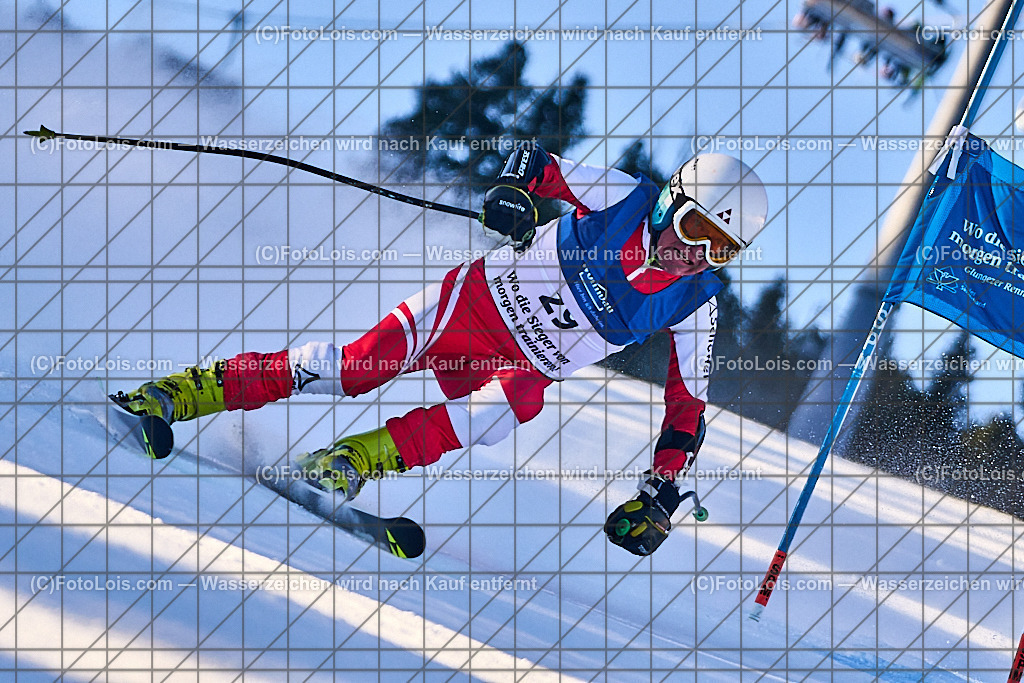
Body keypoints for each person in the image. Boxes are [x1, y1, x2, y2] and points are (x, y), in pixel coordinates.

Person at [111, 143, 768, 556]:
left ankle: (343, 463)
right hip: (472, 306)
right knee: (355, 368)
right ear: (670, 205)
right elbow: (536, 164)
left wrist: (661, 490)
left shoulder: (695, 301)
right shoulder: (628, 196)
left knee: (505, 409)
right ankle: (176, 393)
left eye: (718, 249)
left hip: (518, 363)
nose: (694, 254)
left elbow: (687, 407)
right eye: (693, 229)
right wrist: (513, 196)